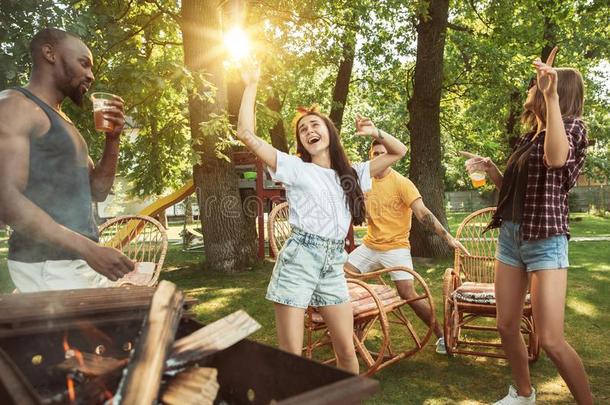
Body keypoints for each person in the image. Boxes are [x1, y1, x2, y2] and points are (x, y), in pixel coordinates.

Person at [237, 64, 407, 374]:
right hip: (299, 260)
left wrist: (374, 131)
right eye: (303, 130)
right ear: (301, 142)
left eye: (315, 125)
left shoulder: (353, 173)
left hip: (333, 263)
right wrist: (251, 85)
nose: (309, 131)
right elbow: (246, 135)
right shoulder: (295, 168)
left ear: (329, 131)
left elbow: (399, 150)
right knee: (293, 361)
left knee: (346, 353)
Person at [462, 47, 593, 405]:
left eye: (543, 86)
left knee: (551, 339)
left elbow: (556, 160)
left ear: (557, 90)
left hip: (545, 239)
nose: (533, 90)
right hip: (512, 236)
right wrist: (492, 172)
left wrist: (549, 96)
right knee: (506, 324)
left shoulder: (571, 128)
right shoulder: (529, 137)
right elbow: (516, 192)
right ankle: (523, 394)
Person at [0, 28, 134, 292]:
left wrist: (113, 139)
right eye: (83, 63)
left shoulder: (61, 119)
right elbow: (5, 199)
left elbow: (98, 190)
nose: (91, 75)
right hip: (49, 266)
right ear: (49, 54)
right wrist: (89, 249)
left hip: (73, 263)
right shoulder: (15, 106)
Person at [345, 139, 469, 355]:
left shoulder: (402, 183)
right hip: (371, 245)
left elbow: (423, 214)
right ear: (371, 156)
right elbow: (357, 212)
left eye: (384, 153)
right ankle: (351, 329)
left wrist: (447, 238)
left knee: (408, 294)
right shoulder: (363, 182)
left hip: (396, 247)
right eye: (375, 153)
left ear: (391, 156)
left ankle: (442, 336)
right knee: (340, 278)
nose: (380, 157)